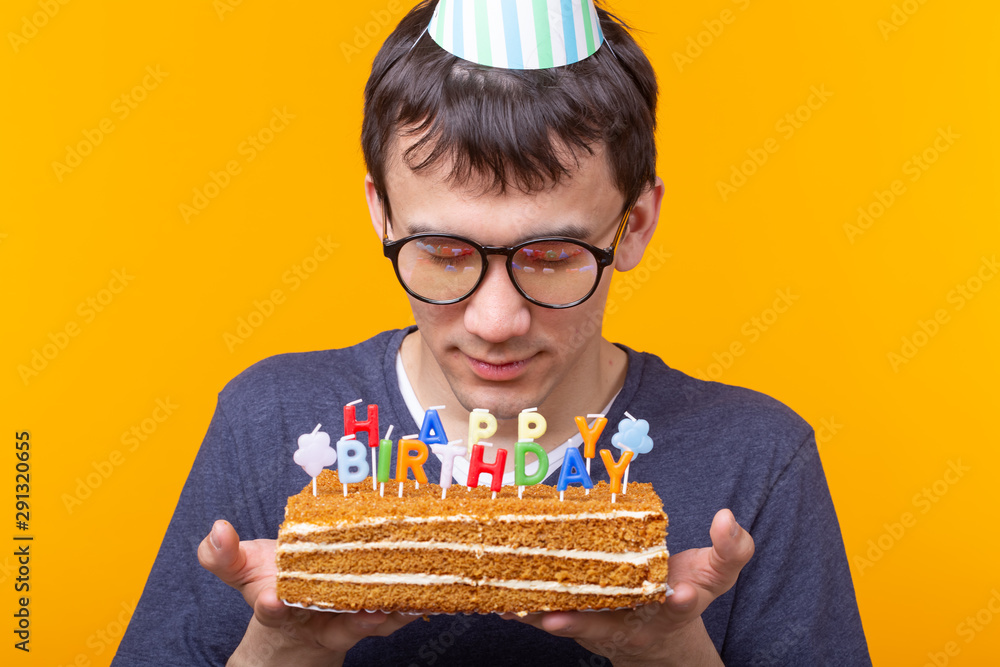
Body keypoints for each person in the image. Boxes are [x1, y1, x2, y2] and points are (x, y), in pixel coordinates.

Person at [113, 1, 870, 665]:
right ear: (382, 214)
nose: (495, 321)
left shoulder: (759, 458)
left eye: (551, 256)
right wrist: (279, 651)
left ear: (633, 225)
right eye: (443, 254)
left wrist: (672, 656)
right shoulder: (265, 420)